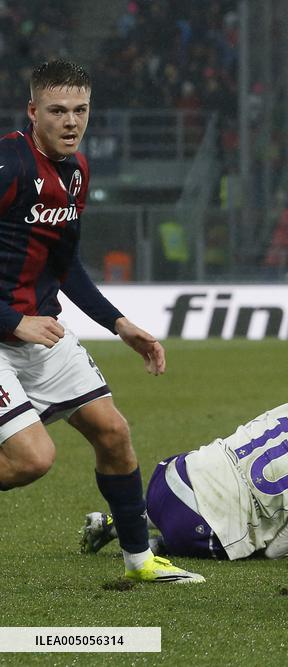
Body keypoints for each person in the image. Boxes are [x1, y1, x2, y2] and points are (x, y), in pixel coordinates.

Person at [0, 60, 203, 584]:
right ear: (33, 112)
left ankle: (139, 562)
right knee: (31, 460)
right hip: (4, 334)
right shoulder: (9, 165)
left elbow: (64, 265)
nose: (71, 121)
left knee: (113, 432)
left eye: (81, 110)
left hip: (40, 333)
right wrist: (11, 320)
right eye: (58, 110)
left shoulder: (76, 172)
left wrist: (119, 323)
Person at [80, 401, 288, 561]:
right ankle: (155, 544)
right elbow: (277, 549)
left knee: (217, 470)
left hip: (168, 477)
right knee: (243, 544)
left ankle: (119, 522)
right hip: (194, 528)